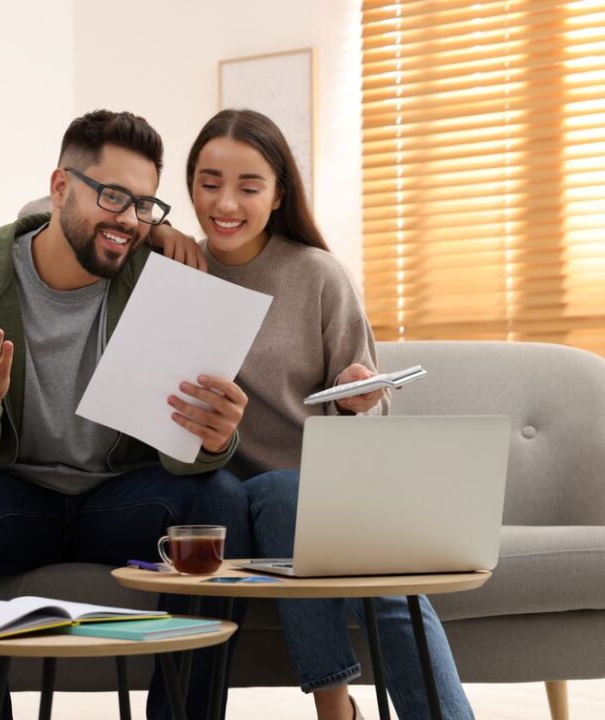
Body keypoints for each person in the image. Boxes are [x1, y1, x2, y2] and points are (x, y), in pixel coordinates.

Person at [0, 109, 253, 720]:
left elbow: (181, 451)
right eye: (113, 197)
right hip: (14, 499)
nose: (130, 221)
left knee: (220, 498)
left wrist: (213, 439)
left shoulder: (159, 277)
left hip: (120, 498)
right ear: (60, 187)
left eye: (145, 205)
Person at [150, 108, 475, 720]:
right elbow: (53, 212)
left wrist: (358, 399)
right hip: (218, 494)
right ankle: (335, 709)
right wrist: (151, 233)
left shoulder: (317, 274)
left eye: (249, 186)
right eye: (208, 182)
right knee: (271, 494)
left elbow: (371, 415)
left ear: (278, 195)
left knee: (372, 576)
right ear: (188, 186)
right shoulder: (173, 269)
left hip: (326, 492)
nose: (226, 202)